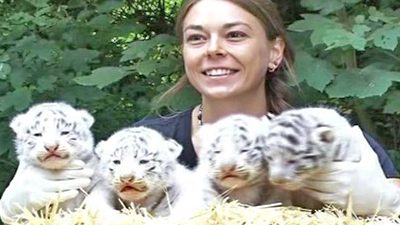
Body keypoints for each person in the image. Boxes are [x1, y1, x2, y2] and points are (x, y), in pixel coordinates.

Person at [0, 0, 399, 223]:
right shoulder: (148, 141)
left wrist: (386, 200)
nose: (213, 49)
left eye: (235, 34)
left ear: (275, 51)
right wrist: (14, 210)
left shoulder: (322, 140)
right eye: (196, 38)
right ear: (185, 55)